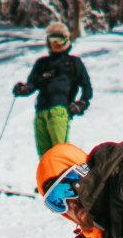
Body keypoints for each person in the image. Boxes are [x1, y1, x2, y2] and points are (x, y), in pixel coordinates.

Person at [13, 22, 93, 156]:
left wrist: (82, 103)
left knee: (60, 152)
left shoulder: (72, 63)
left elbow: (86, 86)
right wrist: (23, 89)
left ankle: (65, 175)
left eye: (60, 39)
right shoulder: (42, 63)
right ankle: (48, 176)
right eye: (53, 40)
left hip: (59, 110)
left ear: (67, 40)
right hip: (41, 112)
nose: (57, 44)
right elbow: (32, 84)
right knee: (45, 156)